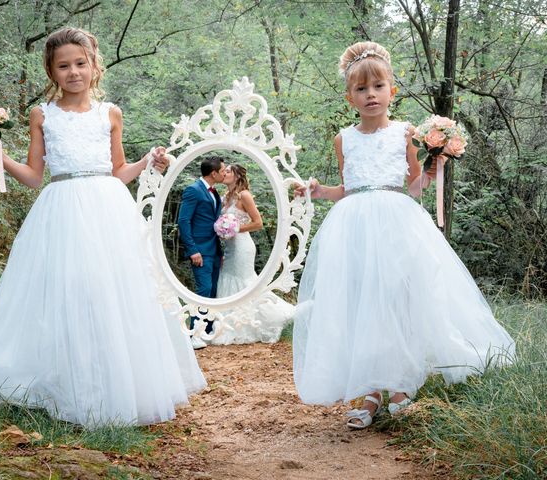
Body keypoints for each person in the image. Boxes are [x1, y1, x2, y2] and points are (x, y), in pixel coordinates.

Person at [0, 27, 206, 428]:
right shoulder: (43, 115)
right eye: (63, 66)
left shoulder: (110, 114)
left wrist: (147, 162)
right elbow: (35, 176)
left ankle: (119, 386)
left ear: (94, 66)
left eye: (80, 63)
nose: (73, 72)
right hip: (62, 210)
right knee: (70, 291)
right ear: (52, 72)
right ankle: (73, 386)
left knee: (112, 292)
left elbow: (118, 171)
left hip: (107, 209)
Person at [292, 41, 515, 430]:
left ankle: (399, 387)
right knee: (363, 303)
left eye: (378, 86)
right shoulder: (344, 139)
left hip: (397, 224)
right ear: (350, 98)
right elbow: (348, 187)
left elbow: (410, 186)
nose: (371, 95)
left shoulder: (405, 134)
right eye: (361, 89)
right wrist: (318, 191)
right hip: (354, 228)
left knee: (396, 300)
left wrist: (429, 172)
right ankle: (371, 389)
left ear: (392, 91)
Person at [210, 164, 294, 344]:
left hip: (242, 246)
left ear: (237, 175)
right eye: (223, 171)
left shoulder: (245, 195)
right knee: (227, 278)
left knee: (244, 281)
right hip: (229, 247)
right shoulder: (225, 197)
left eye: (228, 171)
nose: (224, 173)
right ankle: (229, 323)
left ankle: (253, 322)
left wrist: (237, 228)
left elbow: (258, 223)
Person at [177, 156, 225, 349]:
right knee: (203, 290)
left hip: (214, 250)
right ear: (213, 173)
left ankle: (207, 332)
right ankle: (194, 333)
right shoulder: (193, 190)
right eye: (222, 171)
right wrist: (193, 250)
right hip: (200, 250)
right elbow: (183, 221)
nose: (224, 173)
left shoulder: (215, 193)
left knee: (212, 290)